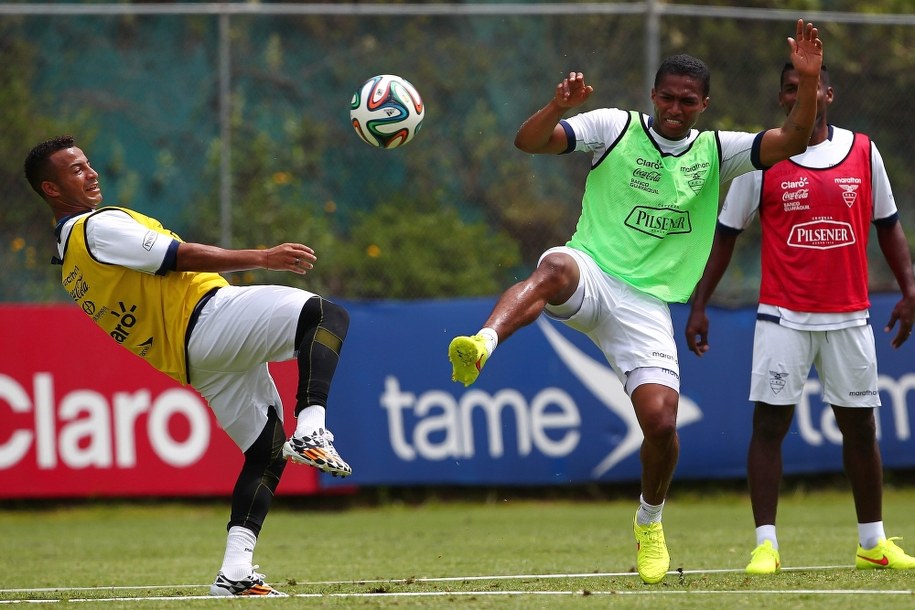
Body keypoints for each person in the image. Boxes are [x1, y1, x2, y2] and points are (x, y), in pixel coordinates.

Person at [447, 19, 824, 584]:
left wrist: (810, 80)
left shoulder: (718, 152)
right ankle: (482, 343)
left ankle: (649, 522)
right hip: (593, 271)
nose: (675, 108)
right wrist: (556, 107)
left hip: (647, 305)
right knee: (553, 266)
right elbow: (529, 142)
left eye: (687, 101)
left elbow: (792, 140)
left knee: (661, 423)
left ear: (704, 104)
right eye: (667, 97)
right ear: (652, 96)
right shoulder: (613, 127)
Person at [24, 135, 353, 597]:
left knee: (266, 452)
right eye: (75, 170)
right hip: (207, 318)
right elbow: (177, 257)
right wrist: (262, 257)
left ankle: (235, 572)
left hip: (194, 363)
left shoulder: (70, 263)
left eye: (88, 163)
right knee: (325, 316)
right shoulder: (96, 228)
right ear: (52, 190)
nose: (91, 173)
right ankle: (313, 427)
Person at [685, 63, 915, 574]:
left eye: (809, 85)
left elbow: (890, 225)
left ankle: (872, 542)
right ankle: (765, 545)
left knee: (859, 429)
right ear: (781, 98)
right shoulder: (762, 158)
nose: (801, 94)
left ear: (828, 93)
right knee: (769, 425)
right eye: (791, 87)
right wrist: (699, 304)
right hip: (782, 317)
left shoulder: (863, 150)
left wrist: (909, 289)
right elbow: (725, 235)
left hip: (850, 317)